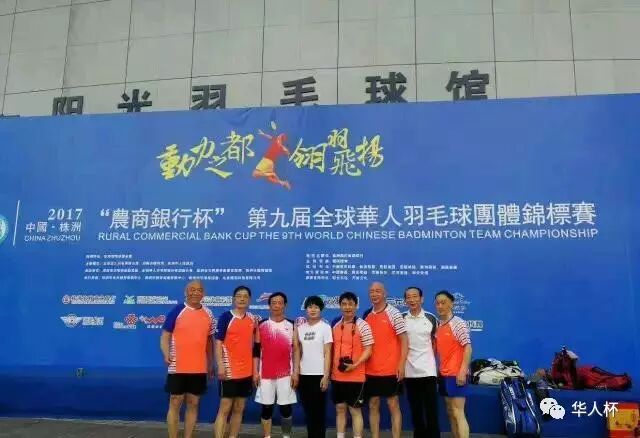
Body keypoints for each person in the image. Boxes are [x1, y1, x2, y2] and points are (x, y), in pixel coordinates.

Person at [160, 280, 215, 438]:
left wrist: (210, 364)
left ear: (203, 294)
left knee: (193, 403)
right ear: (186, 292)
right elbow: (165, 336)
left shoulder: (209, 314)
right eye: (192, 289)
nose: (195, 292)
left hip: (199, 367)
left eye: (199, 290)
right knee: (175, 401)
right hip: (177, 366)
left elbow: (210, 341)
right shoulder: (177, 310)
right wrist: (166, 353)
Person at [362, 282, 408, 438]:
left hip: (391, 369)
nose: (374, 294)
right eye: (371, 291)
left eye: (378, 291)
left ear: (385, 293)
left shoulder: (394, 313)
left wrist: (401, 365)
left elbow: (404, 340)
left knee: (393, 404)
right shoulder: (367, 315)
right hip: (371, 369)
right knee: (373, 404)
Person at [213, 285, 259, 438]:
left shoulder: (253, 319)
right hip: (229, 370)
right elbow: (218, 343)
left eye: (245, 296)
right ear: (234, 299)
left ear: (249, 300)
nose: (242, 299)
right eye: (239, 296)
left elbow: (256, 345)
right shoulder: (226, 317)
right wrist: (220, 365)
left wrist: (255, 371)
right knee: (225, 408)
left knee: (239, 407)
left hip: (246, 371)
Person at [253, 292, 300, 438]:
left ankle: (286, 436)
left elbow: (296, 350)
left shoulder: (292, 325)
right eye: (273, 302)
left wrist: (296, 373)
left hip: (286, 374)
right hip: (265, 374)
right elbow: (256, 350)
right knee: (266, 408)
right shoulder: (262, 324)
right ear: (269, 305)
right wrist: (255, 372)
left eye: (280, 302)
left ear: (285, 305)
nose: (277, 305)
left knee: (286, 409)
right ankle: (267, 436)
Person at [331, 291, 373, 438]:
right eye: (344, 304)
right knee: (340, 409)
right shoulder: (335, 324)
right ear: (340, 306)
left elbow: (369, 349)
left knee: (355, 410)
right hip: (337, 376)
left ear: (356, 305)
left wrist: (355, 365)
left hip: (356, 376)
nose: (347, 307)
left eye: (350, 304)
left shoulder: (363, 325)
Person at [403, 286, 440, 438]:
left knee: (431, 410)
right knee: (416, 410)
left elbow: (436, 343)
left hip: (428, 371)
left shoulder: (431, 318)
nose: (412, 300)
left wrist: (431, 360)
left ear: (422, 299)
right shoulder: (402, 318)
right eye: (409, 297)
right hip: (409, 371)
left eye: (415, 296)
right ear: (405, 301)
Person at [434, 290, 472, 438]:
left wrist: (462, 371)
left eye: (443, 302)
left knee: (458, 412)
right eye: (437, 303)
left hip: (456, 375)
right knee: (450, 411)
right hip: (444, 375)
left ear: (452, 304)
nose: (440, 306)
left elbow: (468, 347)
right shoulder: (439, 325)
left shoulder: (458, 323)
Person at [295, 295, 333, 438]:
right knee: (308, 412)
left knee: (318, 413)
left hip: (319, 376)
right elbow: (297, 352)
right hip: (304, 376)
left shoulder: (325, 328)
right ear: (306, 309)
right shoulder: (300, 328)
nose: (313, 310)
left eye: (316, 307)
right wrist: (296, 372)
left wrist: (326, 375)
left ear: (321, 309)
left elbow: (328, 353)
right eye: (310, 307)